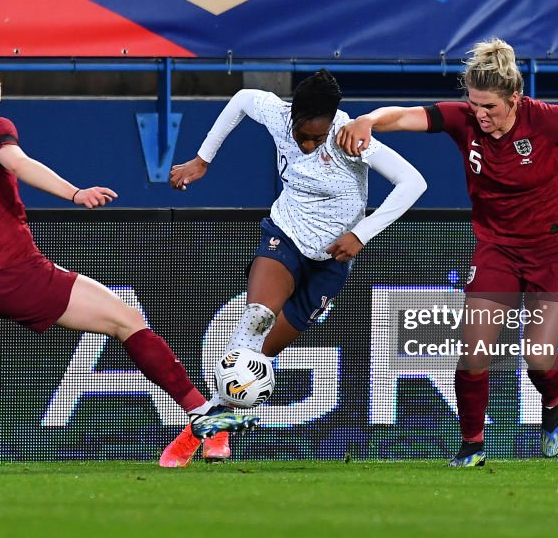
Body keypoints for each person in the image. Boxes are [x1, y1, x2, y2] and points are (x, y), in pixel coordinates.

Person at [0, 62, 257, 472]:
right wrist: (75, 192)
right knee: (127, 320)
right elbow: (19, 163)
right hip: (18, 273)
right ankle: (199, 410)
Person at [337, 39, 558, 467]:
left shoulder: (546, 121)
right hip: (497, 247)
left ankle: (554, 403)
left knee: (538, 354)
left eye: (490, 106)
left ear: (515, 99)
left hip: (556, 246)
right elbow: (401, 116)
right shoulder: (464, 121)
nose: (481, 114)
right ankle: (472, 445)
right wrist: (367, 120)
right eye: (474, 104)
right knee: (474, 352)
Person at [158, 69, 427, 467]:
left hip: (331, 262)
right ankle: (200, 441)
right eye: (303, 134)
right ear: (293, 115)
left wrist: (362, 234)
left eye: (317, 138)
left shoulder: (349, 138)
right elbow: (242, 100)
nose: (308, 144)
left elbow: (413, 182)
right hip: (284, 235)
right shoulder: (276, 113)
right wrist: (202, 160)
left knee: (258, 356)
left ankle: (212, 423)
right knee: (255, 320)